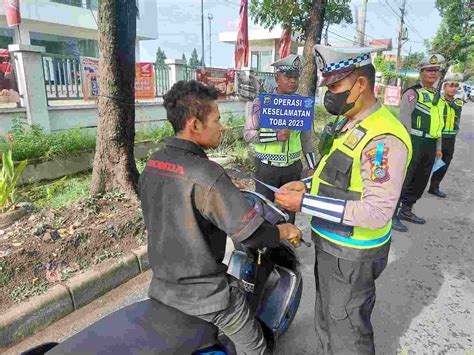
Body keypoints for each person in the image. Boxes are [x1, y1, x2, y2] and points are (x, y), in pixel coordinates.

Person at [138, 80, 301, 355]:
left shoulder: (152, 164)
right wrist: (285, 231)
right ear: (194, 124)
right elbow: (253, 235)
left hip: (162, 287)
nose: (222, 126)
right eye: (217, 119)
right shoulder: (206, 174)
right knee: (257, 349)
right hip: (206, 296)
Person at [273, 45, 413, 354]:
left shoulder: (383, 137)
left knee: (347, 331)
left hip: (352, 253)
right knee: (327, 320)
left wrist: (304, 205)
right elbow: (338, 175)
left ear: (361, 84)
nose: (329, 93)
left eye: (335, 86)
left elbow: (377, 212)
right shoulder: (350, 121)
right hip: (330, 243)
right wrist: (306, 186)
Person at [244, 54, 317, 223]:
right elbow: (248, 134)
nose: (293, 81)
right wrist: (274, 136)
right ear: (277, 78)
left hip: (293, 168)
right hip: (266, 169)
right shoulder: (261, 103)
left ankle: (288, 246)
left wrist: (312, 167)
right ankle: (265, 248)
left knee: (290, 211)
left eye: (296, 77)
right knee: (263, 210)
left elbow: (306, 139)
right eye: (288, 77)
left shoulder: (303, 105)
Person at [392, 54, 446, 232]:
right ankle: (391, 215)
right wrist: (404, 145)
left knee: (421, 179)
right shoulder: (412, 93)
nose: (432, 73)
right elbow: (404, 121)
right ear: (421, 72)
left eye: (435, 70)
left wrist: (438, 148)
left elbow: (438, 125)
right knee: (405, 179)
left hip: (430, 144)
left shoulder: (438, 97)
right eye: (428, 70)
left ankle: (407, 210)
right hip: (414, 141)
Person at [428, 72, 465, 198]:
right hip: (437, 137)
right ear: (444, 87)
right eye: (450, 85)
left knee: (444, 164)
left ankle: (434, 186)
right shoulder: (438, 100)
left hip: (450, 139)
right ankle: (415, 187)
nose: (453, 88)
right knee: (427, 163)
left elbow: (456, 108)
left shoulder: (458, 102)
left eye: (456, 86)